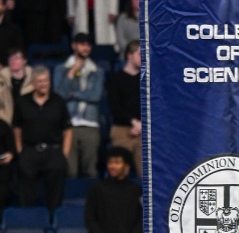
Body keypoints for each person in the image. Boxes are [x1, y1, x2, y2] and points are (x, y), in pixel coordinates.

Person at [13, 65, 72, 210]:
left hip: (54, 152)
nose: (43, 84)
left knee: (54, 197)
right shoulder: (22, 102)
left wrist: (64, 154)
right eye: (39, 81)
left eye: (46, 80)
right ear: (33, 83)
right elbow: (16, 128)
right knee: (27, 196)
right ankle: (30, 226)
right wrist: (20, 152)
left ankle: (52, 223)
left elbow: (68, 130)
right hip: (29, 152)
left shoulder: (59, 101)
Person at [54, 32, 105, 179]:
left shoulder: (97, 71)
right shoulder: (61, 69)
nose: (86, 48)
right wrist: (71, 73)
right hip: (68, 124)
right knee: (70, 171)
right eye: (82, 44)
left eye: (88, 45)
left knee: (90, 170)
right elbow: (59, 96)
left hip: (90, 124)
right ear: (74, 46)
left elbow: (95, 96)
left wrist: (73, 94)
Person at [108, 40, 143, 178]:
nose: (144, 58)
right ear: (129, 55)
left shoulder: (147, 79)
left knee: (148, 175)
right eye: (140, 54)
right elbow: (115, 107)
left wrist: (142, 125)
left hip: (144, 131)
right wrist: (134, 122)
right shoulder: (116, 79)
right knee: (119, 174)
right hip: (122, 130)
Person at [0, 48, 33, 125]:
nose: (13, 61)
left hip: (28, 123)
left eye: (17, 58)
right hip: (5, 122)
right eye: (10, 58)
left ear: (24, 61)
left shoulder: (34, 81)